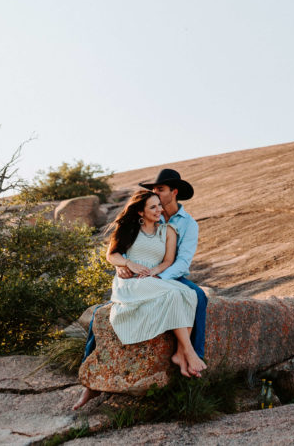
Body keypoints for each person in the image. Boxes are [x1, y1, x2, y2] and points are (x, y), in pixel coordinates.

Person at [73, 172, 208, 410]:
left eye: (161, 190)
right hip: (138, 277)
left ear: (174, 192)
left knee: (195, 295)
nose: (156, 194)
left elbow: (180, 262)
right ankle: (90, 375)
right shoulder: (139, 220)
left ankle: (189, 352)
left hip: (168, 274)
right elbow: (121, 253)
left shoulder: (186, 224)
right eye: (154, 191)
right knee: (100, 314)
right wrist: (123, 267)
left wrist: (156, 276)